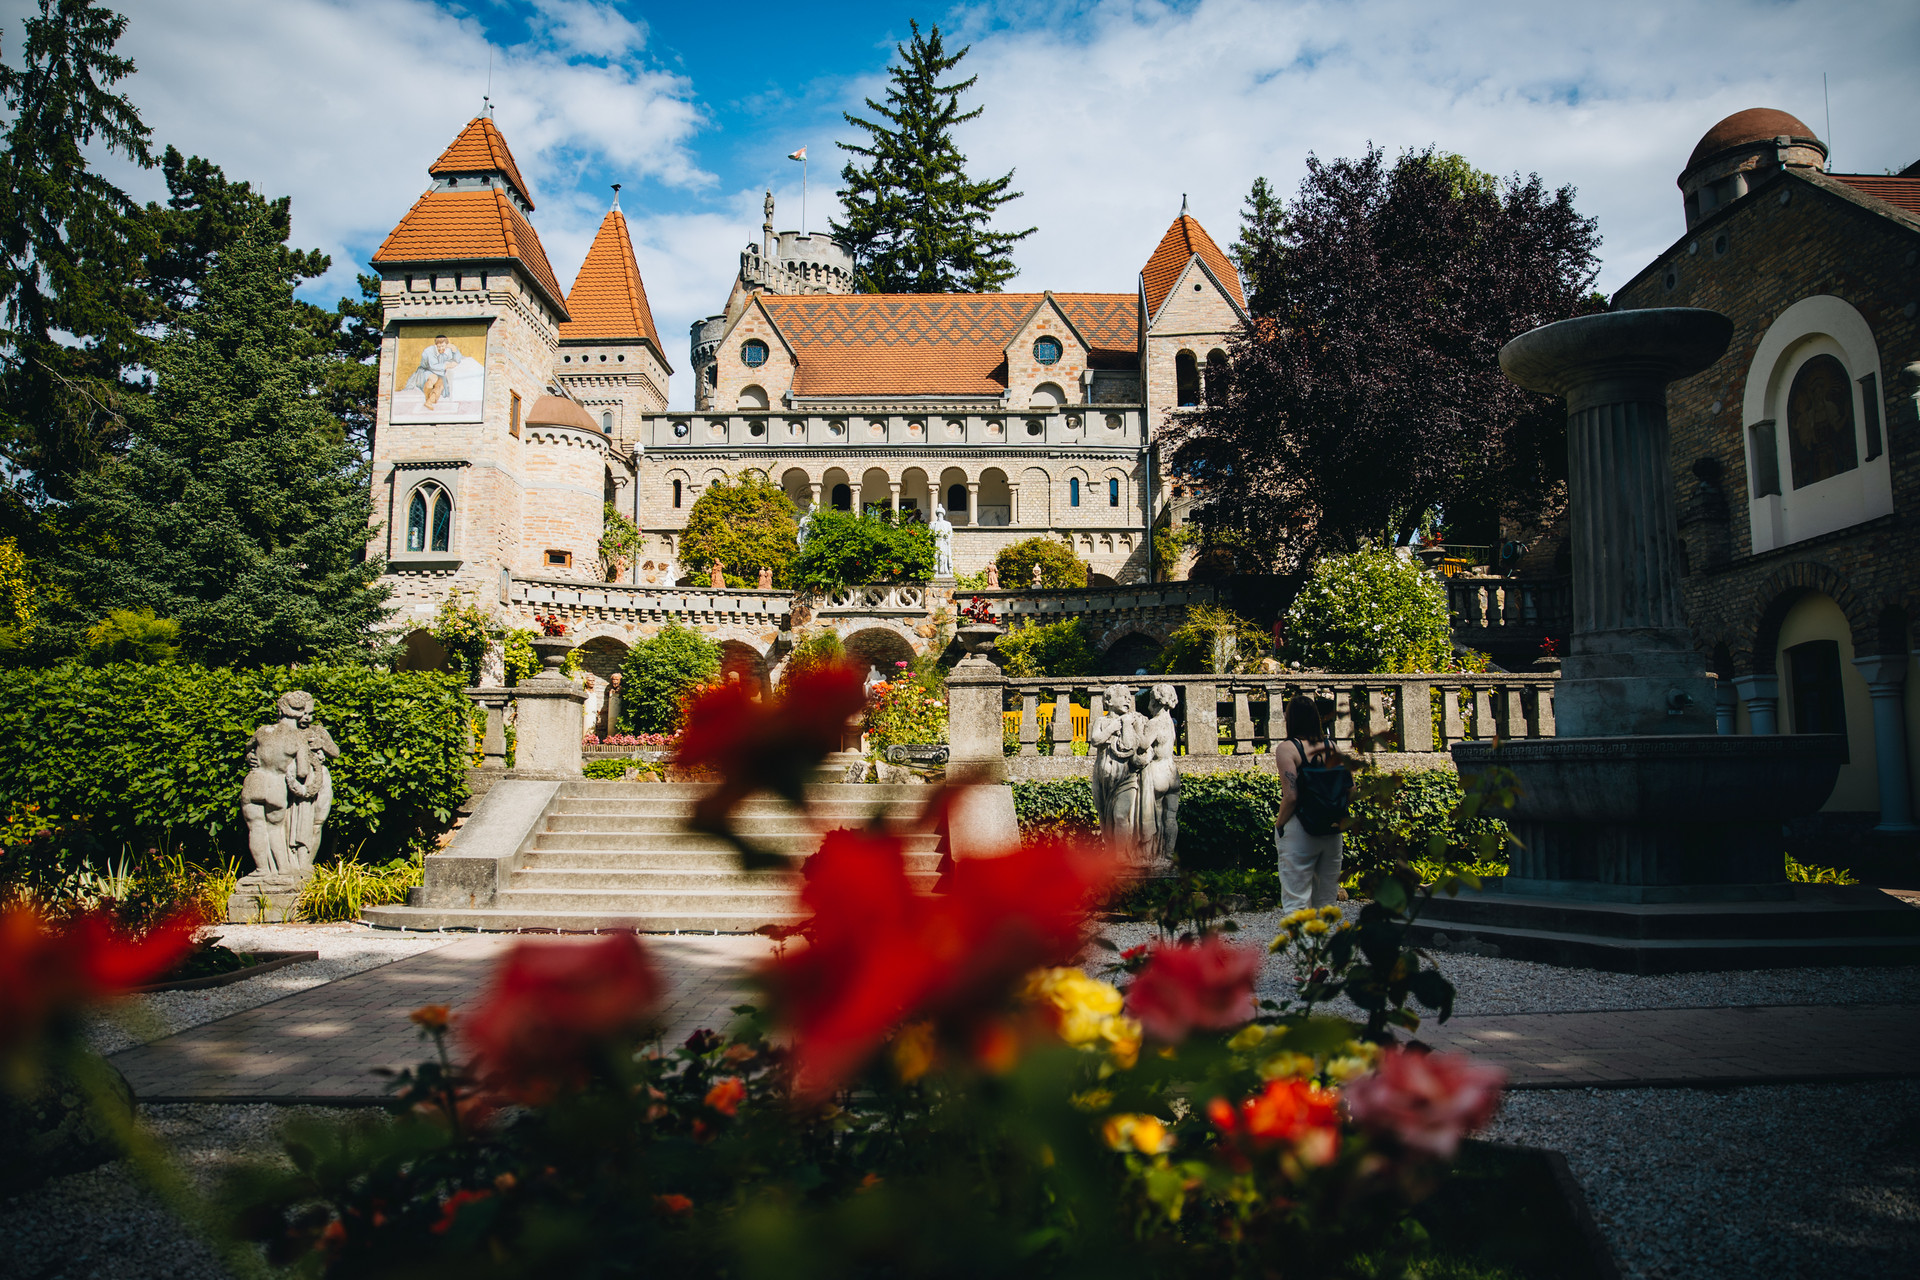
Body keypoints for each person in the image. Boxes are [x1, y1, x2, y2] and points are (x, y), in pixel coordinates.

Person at [1273, 694, 1346, 912]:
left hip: (1301, 829)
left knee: (1296, 900)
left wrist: (1279, 826)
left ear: (1290, 719)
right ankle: (1323, 944)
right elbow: (1349, 789)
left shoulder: (1288, 749)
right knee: (1327, 902)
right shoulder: (1332, 747)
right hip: (1332, 830)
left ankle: (1300, 946)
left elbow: (1291, 796)